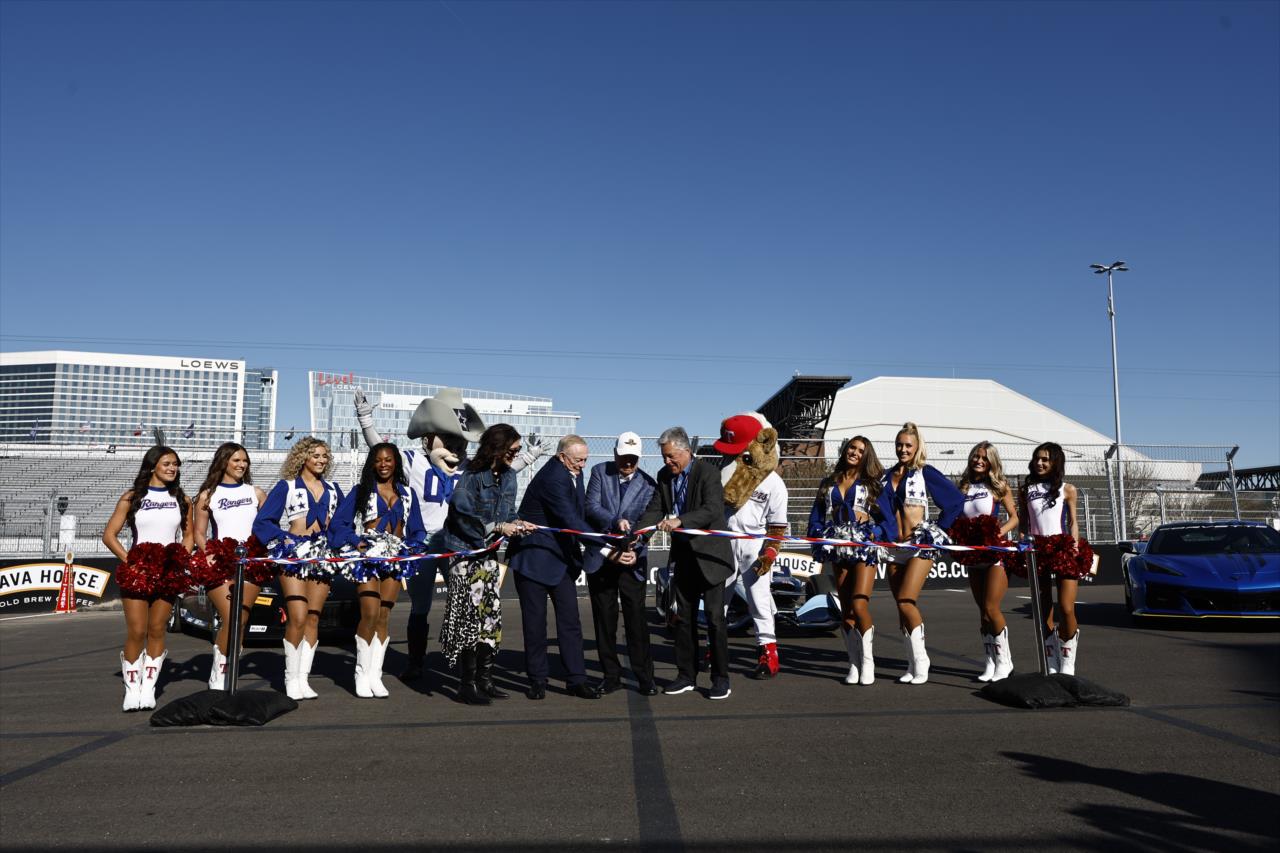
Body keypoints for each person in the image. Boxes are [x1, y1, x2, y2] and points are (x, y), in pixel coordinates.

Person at [352, 386, 544, 685]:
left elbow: (503, 468)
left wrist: (529, 457)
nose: (455, 447)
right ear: (428, 438)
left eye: (459, 440)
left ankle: (463, 664)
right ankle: (416, 662)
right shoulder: (413, 461)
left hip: (457, 540)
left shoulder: (469, 467)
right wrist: (366, 420)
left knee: (464, 602)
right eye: (448, 439)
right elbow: (380, 451)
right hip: (424, 541)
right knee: (421, 604)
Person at [433, 424, 533, 705]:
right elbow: (462, 516)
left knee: (489, 619)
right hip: (464, 555)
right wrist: (498, 527)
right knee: (468, 621)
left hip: (488, 556)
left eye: (518, 450)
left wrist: (518, 523)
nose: (516, 454)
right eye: (513, 450)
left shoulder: (509, 477)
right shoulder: (471, 477)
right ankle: (466, 685)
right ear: (497, 448)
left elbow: (508, 512)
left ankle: (485, 680)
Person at [636, 427, 735, 700]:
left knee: (715, 619)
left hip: (711, 556)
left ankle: (721, 678)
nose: (667, 461)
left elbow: (713, 509)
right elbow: (656, 509)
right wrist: (637, 536)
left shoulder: (708, 473)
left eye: (671, 456)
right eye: (664, 457)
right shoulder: (664, 476)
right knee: (682, 618)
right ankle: (686, 675)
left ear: (686, 451)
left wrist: (681, 520)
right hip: (683, 557)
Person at [329, 443, 427, 698]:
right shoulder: (361, 490)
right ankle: (361, 674)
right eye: (378, 460)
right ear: (372, 463)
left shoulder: (407, 493)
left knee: (384, 615)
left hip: (395, 557)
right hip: (368, 558)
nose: (383, 464)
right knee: (370, 613)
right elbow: (339, 523)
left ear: (396, 463)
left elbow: (417, 527)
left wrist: (413, 546)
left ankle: (375, 675)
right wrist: (355, 541)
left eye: (388, 460)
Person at [508, 435, 600, 700]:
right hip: (533, 559)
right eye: (578, 460)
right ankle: (537, 679)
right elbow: (569, 518)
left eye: (585, 460)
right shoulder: (553, 477)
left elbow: (580, 512)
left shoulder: (574, 471)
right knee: (535, 623)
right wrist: (605, 546)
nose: (582, 465)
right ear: (562, 457)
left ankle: (577, 679)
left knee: (571, 622)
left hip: (561, 560)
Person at [102, 446, 193, 711]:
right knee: (137, 631)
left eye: (175, 464)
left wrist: (178, 559)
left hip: (168, 573)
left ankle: (148, 688)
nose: (172, 468)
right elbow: (109, 535)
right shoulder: (132, 497)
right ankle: (132, 689)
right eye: (167, 463)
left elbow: (188, 535)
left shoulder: (182, 499)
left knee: (157, 629)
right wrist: (133, 562)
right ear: (152, 466)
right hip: (138, 572)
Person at [253, 437, 343, 701]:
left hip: (322, 555)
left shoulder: (334, 489)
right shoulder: (287, 486)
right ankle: (290, 678)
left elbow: (342, 523)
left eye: (324, 456)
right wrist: (285, 539)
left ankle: (303, 678)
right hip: (293, 555)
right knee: (298, 616)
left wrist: (343, 543)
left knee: (314, 617)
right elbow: (263, 521)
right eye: (315, 455)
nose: (321, 460)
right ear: (303, 457)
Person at [882, 422, 964, 685]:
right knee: (901, 608)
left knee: (906, 600)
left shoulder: (925, 472)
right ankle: (911, 663)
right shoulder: (886, 475)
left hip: (920, 545)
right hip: (895, 548)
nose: (903, 449)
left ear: (917, 447)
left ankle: (922, 660)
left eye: (908, 445)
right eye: (899, 444)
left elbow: (955, 501)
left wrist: (938, 530)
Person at [807, 435, 889, 686]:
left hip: (863, 549)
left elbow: (888, 522)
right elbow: (816, 518)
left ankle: (868, 662)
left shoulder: (872, 485)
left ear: (866, 456)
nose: (855, 452)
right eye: (852, 447)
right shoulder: (828, 483)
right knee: (846, 611)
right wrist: (821, 536)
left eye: (861, 450)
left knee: (859, 605)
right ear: (845, 450)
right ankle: (854, 663)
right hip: (839, 549)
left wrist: (873, 534)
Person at [714, 413, 789, 680]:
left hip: (753, 544)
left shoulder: (774, 483)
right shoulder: (723, 471)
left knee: (759, 601)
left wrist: (769, 553)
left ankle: (768, 654)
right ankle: (715, 650)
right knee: (717, 601)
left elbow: (777, 527)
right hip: (723, 541)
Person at [584, 431, 658, 695]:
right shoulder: (599, 472)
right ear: (615, 453)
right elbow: (590, 507)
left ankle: (645, 677)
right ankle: (610, 676)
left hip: (632, 558)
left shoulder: (649, 484)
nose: (628, 463)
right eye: (624, 457)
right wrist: (616, 521)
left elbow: (649, 522)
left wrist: (634, 547)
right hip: (602, 556)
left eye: (633, 458)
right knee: (604, 620)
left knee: (636, 620)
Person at [191, 442, 270, 691]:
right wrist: (209, 553)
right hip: (220, 563)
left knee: (241, 620)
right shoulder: (207, 495)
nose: (241, 464)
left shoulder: (256, 493)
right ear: (224, 462)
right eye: (236, 460)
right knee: (232, 617)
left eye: (244, 460)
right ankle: (219, 671)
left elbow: (267, 527)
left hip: (250, 563)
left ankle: (228, 669)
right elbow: (199, 532)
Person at [1018, 442, 1091, 675]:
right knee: (1043, 608)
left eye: (1045, 459)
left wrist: (1074, 546)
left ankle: (1067, 659)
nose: (1040, 463)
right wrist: (1023, 543)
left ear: (1055, 462)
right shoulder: (1025, 490)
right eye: (1037, 458)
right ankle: (1051, 658)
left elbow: (1073, 521)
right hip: (1037, 549)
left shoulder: (1068, 489)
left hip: (1063, 547)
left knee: (1067, 608)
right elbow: (1023, 523)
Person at [950, 441, 1019, 682]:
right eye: (976, 456)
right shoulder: (963, 486)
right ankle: (990, 661)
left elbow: (1014, 518)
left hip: (994, 553)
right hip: (972, 553)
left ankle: (1005, 662)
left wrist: (997, 534)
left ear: (991, 462)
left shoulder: (999, 486)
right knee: (982, 611)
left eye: (984, 457)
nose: (979, 460)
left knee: (991, 607)